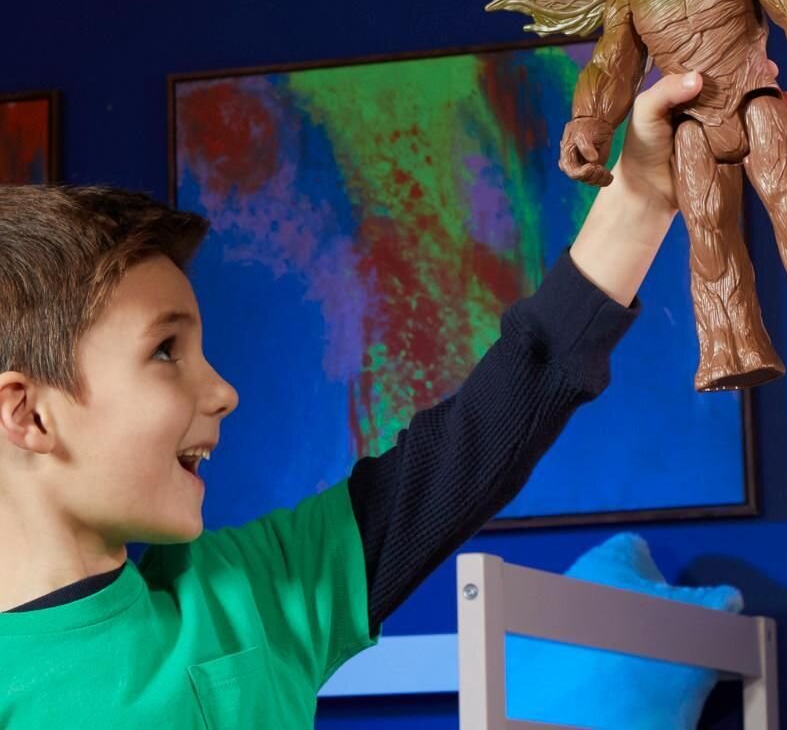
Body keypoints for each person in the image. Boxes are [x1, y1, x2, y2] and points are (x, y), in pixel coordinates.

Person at [0, 70, 704, 727]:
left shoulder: (250, 595)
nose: (223, 391)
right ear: (28, 414)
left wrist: (639, 199)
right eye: (164, 351)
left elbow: (474, 441)